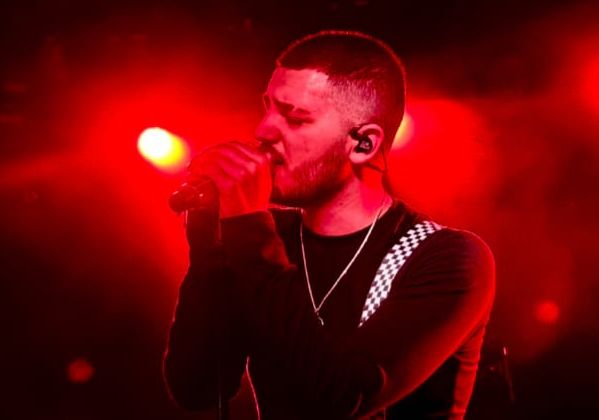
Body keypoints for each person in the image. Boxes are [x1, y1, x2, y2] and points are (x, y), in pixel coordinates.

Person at [163, 30, 495, 419]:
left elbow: (338, 399)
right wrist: (209, 251)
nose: (263, 131)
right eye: (268, 108)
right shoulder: (266, 239)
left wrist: (249, 229)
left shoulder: (447, 257)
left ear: (363, 144)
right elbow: (197, 387)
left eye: (295, 117)